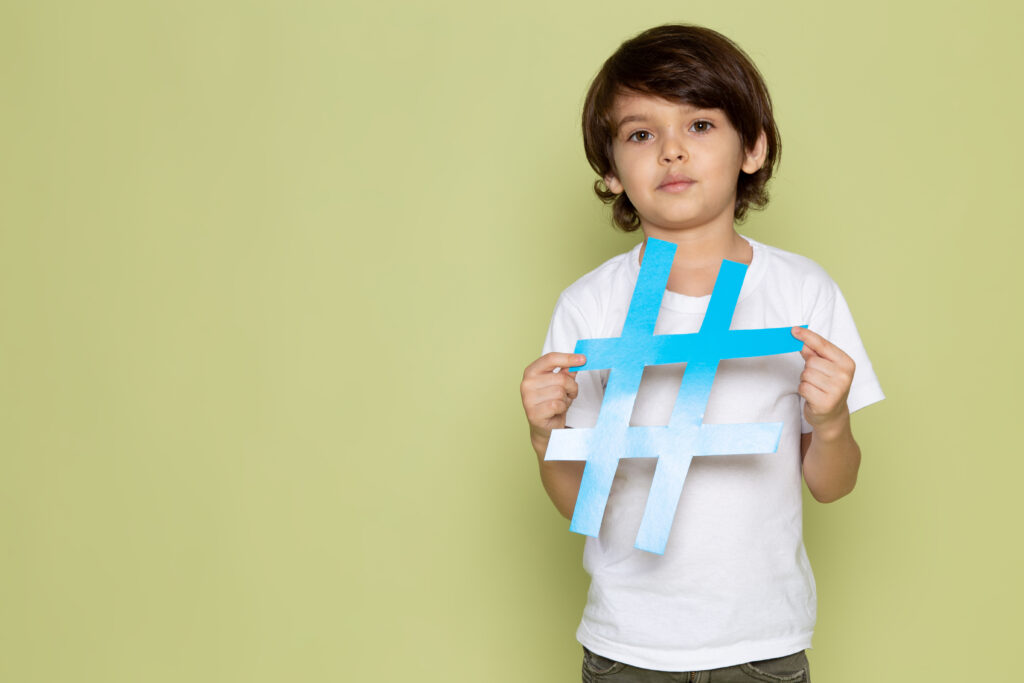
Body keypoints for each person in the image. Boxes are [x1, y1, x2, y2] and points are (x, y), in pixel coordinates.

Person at [519, 24, 884, 681]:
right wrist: (545, 435)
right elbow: (587, 502)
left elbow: (834, 483)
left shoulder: (801, 292)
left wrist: (831, 423)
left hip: (761, 641)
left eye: (700, 125)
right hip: (627, 643)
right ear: (609, 172)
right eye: (640, 134)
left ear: (753, 148)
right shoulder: (591, 305)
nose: (671, 152)